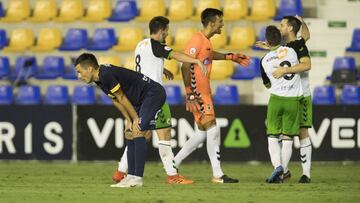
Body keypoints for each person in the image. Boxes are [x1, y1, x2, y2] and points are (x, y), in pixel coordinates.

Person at [112, 16, 207, 185]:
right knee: (164, 134)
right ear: (162, 30)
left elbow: (145, 66)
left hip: (139, 95)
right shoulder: (157, 46)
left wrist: (162, 70)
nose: (168, 34)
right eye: (167, 31)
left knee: (140, 133)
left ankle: (121, 171)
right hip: (153, 95)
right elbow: (175, 55)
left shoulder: (141, 45)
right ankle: (172, 175)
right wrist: (195, 60)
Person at [173, 8, 250, 183]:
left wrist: (231, 57)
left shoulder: (205, 41)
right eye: (220, 21)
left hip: (204, 91)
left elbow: (209, 54)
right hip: (198, 93)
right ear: (211, 23)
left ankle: (173, 163)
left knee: (202, 132)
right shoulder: (196, 39)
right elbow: (184, 64)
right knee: (212, 128)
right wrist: (189, 93)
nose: (222, 24)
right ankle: (218, 174)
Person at [74, 53, 167, 188]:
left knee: (138, 130)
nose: (79, 76)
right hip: (140, 100)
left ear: (89, 68)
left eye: (79, 71)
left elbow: (122, 97)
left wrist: (135, 118)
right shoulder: (99, 78)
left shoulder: (106, 74)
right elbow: (116, 100)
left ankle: (137, 178)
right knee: (129, 132)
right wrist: (128, 119)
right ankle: (130, 177)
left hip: (152, 94)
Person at [256, 15, 312, 183]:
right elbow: (304, 38)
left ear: (289, 29)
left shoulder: (298, 45)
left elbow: (306, 65)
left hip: (301, 95)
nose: (279, 28)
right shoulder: (288, 47)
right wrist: (270, 48)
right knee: (288, 135)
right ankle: (284, 171)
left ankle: (306, 174)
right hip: (291, 95)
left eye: (282, 25)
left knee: (302, 133)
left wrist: (301, 22)